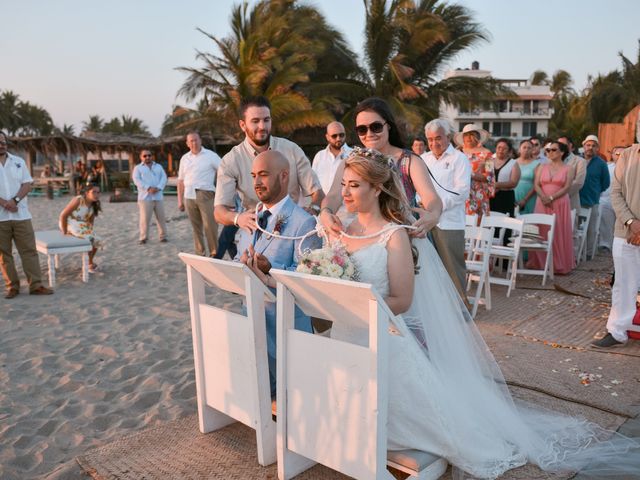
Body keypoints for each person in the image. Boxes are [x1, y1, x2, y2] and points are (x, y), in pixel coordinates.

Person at [318, 146, 640, 478]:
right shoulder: (342, 228)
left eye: (354, 185)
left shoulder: (395, 236)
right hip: (347, 333)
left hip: (381, 334)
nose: (345, 192)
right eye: (343, 184)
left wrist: (358, 306)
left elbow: (401, 300)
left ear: (377, 188)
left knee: (428, 424)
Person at [240, 150, 321, 397]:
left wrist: (270, 270)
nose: (256, 182)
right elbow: (239, 256)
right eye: (254, 175)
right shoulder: (250, 217)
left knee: (293, 397)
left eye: (263, 175)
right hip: (252, 318)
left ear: (284, 176)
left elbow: (309, 277)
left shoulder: (304, 222)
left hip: (286, 327)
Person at [320, 97, 442, 241]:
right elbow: (334, 195)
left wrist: (433, 215)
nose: (369, 134)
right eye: (362, 129)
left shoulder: (409, 161)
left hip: (405, 240)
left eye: (376, 127)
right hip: (363, 238)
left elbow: (431, 198)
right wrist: (325, 213)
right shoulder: (351, 162)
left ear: (388, 125)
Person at [214, 96, 324, 251]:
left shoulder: (291, 150)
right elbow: (219, 212)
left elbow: (317, 192)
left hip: (294, 231)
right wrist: (238, 218)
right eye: (255, 121)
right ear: (242, 125)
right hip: (255, 232)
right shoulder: (230, 161)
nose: (262, 126)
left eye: (266, 120)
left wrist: (314, 209)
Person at [592, 143, 640, 348]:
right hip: (625, 231)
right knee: (623, 283)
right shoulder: (627, 155)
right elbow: (616, 193)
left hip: (634, 231)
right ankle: (617, 331)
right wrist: (632, 223)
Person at [422, 118, 471, 305]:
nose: (434, 143)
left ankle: (462, 309)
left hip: (449, 222)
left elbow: (462, 191)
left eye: (438, 138)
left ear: (448, 137)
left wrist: (436, 207)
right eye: (430, 139)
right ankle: (439, 308)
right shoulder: (424, 159)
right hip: (426, 221)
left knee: (453, 268)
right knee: (430, 269)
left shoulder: (460, 159)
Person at [0, 132, 54, 298]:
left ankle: (36, 285)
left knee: (29, 251)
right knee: (4, 254)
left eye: (3, 141)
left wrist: (14, 201)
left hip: (21, 215)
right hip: (1, 217)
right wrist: (4, 203)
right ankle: (13, 287)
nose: (2, 144)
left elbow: (27, 184)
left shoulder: (18, 161)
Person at [527, 141, 575, 274]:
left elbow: (567, 187)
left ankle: (558, 264)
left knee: (558, 231)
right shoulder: (542, 166)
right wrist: (543, 197)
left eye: (553, 150)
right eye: (548, 150)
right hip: (541, 201)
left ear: (562, 152)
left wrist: (552, 198)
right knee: (542, 230)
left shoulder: (569, 168)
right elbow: (536, 184)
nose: (549, 152)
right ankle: (539, 263)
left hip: (559, 202)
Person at [178, 131, 221, 257]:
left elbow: (224, 171)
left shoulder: (211, 155)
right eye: (191, 141)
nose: (194, 143)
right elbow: (180, 181)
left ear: (200, 141)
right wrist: (180, 201)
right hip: (189, 195)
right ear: (187, 143)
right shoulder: (184, 158)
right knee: (196, 228)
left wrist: (220, 191)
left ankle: (214, 253)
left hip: (206, 194)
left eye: (196, 140)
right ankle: (200, 253)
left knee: (210, 226)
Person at [59, 183, 102, 273]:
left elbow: (90, 222)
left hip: (82, 226)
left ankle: (89, 262)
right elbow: (63, 215)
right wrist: (64, 232)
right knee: (90, 238)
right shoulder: (79, 200)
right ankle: (88, 263)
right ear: (87, 192)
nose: (96, 194)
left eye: (98, 192)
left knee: (97, 240)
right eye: (94, 192)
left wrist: (90, 231)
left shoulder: (94, 205)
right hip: (69, 223)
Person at [579, 135, 610, 260]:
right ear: (583, 146)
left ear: (597, 148)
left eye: (593, 146)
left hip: (592, 201)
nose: (590, 148)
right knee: (575, 230)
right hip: (576, 200)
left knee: (590, 230)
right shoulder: (577, 160)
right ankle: (575, 253)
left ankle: (587, 255)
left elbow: (606, 183)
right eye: (588, 145)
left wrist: (595, 191)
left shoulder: (601, 164)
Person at [454, 125, 494, 222]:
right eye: (466, 135)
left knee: (478, 226)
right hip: (459, 193)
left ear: (478, 137)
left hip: (478, 195)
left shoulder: (487, 154)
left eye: (472, 135)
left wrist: (469, 174)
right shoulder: (457, 152)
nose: (468, 138)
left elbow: (489, 177)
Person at [132, 149, 168, 244]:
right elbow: (137, 180)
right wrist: (148, 188)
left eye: (149, 155)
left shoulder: (158, 167)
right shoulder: (138, 168)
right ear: (141, 157)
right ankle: (143, 238)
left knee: (161, 218)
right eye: (145, 156)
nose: (147, 157)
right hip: (145, 197)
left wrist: (159, 188)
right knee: (144, 219)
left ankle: (163, 236)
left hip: (158, 196)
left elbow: (164, 178)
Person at [598, 146, 626, 252]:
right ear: (612, 155)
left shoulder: (631, 168)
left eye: (622, 154)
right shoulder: (607, 167)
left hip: (624, 202)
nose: (619, 156)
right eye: (617, 154)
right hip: (607, 199)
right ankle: (605, 244)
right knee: (606, 222)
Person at [311, 121, 351, 195]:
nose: (338, 138)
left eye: (341, 135)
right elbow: (313, 183)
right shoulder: (319, 156)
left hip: (346, 204)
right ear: (327, 137)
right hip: (322, 204)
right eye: (334, 136)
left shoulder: (353, 154)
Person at [490, 138, 520, 218]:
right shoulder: (489, 161)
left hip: (505, 197)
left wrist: (497, 185)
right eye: (499, 147)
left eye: (504, 148)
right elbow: (486, 177)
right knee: (490, 222)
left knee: (504, 222)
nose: (501, 150)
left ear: (509, 151)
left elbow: (514, 183)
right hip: (490, 196)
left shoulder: (513, 163)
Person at [557, 135, 586, 213]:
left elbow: (578, 182)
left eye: (563, 145)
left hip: (570, 204)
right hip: (553, 205)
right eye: (558, 145)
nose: (560, 147)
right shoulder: (552, 161)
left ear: (570, 146)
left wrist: (558, 195)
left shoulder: (580, 161)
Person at [514, 139, 541, 214]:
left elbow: (536, 184)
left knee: (528, 221)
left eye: (529, 148)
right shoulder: (513, 162)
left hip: (529, 196)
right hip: (514, 194)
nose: (526, 150)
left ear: (532, 150)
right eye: (524, 147)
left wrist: (525, 199)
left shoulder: (537, 164)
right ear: (519, 149)